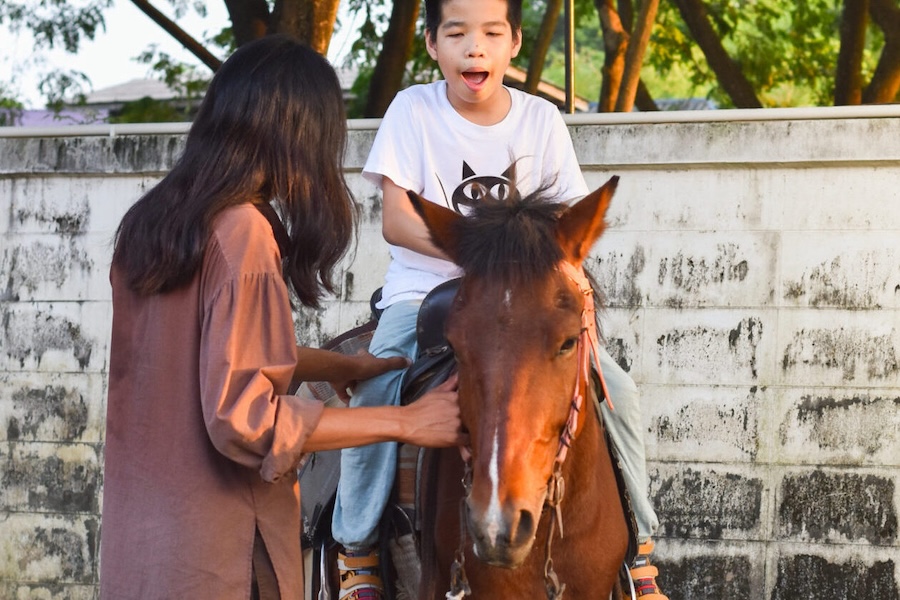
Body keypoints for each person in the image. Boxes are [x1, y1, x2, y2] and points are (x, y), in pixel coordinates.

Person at [99, 35, 465, 600]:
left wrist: (334, 366)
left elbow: (191, 364)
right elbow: (245, 419)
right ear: (297, 134)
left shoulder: (153, 224)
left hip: (140, 555)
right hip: (218, 558)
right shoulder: (242, 234)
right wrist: (407, 422)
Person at [330, 1, 669, 599]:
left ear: (514, 43)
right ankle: (357, 549)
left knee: (617, 387)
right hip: (425, 290)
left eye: (491, 33)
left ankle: (640, 548)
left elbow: (565, 223)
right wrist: (486, 257)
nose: (474, 47)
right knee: (379, 383)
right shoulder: (412, 110)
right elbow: (397, 220)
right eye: (456, 33)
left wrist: (547, 276)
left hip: (526, 295)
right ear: (433, 44)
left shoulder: (540, 118)